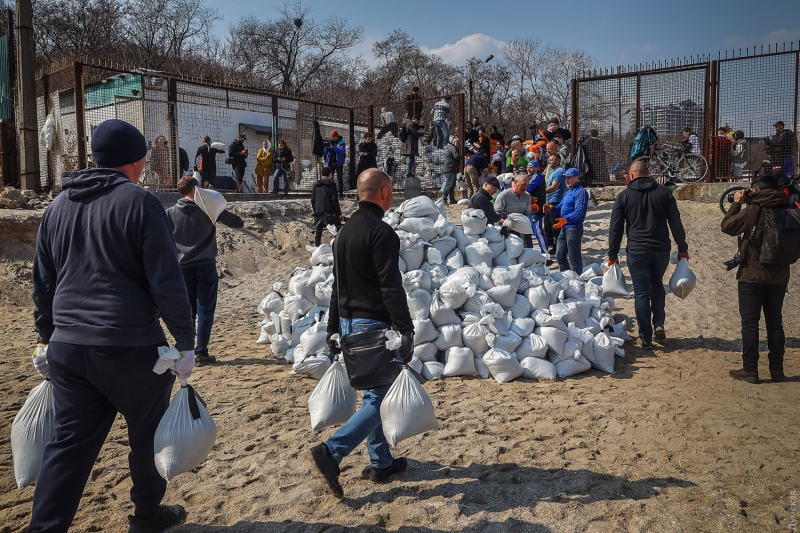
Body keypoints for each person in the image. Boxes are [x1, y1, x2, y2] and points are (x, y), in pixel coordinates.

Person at [29, 119, 195, 533]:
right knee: (146, 435)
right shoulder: (140, 204)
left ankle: (44, 528)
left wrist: (46, 338)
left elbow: (43, 283)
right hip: (130, 347)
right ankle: (146, 517)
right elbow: (166, 282)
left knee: (67, 446)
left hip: (68, 350)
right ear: (135, 161)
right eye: (141, 161)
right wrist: (186, 341)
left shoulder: (56, 209)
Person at [309, 169, 415, 498]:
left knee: (374, 393)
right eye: (392, 190)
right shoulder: (382, 233)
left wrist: (332, 328)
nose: (393, 195)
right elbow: (390, 285)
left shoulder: (343, 234)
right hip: (374, 326)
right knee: (382, 397)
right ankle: (332, 451)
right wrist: (405, 327)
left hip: (350, 325)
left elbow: (336, 287)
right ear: (383, 192)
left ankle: (381, 464)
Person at [608, 160, 689, 351]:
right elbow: (676, 223)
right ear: (648, 173)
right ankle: (659, 323)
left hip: (636, 250)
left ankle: (645, 338)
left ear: (632, 175)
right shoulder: (664, 193)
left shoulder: (624, 196)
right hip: (661, 249)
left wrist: (612, 254)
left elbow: (615, 228)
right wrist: (682, 248)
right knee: (657, 284)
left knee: (642, 293)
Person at [721, 172, 791, 383]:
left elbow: (727, 226)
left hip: (752, 275)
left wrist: (736, 204)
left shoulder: (753, 210)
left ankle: (750, 369)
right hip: (779, 275)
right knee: (775, 323)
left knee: (750, 324)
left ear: (757, 190)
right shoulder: (789, 208)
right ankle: (777, 371)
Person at [167, 176, 244, 366]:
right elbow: (237, 222)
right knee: (205, 310)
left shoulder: (169, 213)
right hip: (206, 265)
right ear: (195, 189)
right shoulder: (208, 208)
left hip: (182, 268)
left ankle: (187, 351)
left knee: (187, 311)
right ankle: (202, 351)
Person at [544, 168, 588, 273]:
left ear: (577, 178)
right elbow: (560, 207)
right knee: (559, 256)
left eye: (570, 178)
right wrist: (551, 208)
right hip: (564, 227)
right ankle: (567, 276)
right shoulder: (569, 192)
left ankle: (577, 279)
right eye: (566, 178)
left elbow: (579, 211)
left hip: (573, 228)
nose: (567, 180)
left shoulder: (580, 192)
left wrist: (566, 219)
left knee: (574, 257)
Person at [311, 167, 342, 246]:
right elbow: (334, 200)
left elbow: (313, 199)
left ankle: (317, 247)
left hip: (318, 212)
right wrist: (339, 213)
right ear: (329, 175)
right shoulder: (331, 185)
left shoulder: (316, 185)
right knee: (338, 226)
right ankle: (339, 245)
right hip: (330, 212)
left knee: (319, 231)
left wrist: (315, 211)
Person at [544, 153, 567, 254]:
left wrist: (541, 191)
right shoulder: (553, 172)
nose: (550, 162)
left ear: (558, 161)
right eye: (549, 160)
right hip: (549, 201)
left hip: (556, 201)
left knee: (556, 226)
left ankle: (560, 248)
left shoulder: (559, 172)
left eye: (552, 160)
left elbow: (554, 187)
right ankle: (554, 245)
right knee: (549, 225)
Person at [526, 161, 548, 253]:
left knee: (538, 231)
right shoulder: (532, 176)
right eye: (527, 167)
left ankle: (545, 253)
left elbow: (528, 189)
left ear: (537, 168)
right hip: (532, 208)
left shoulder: (537, 176)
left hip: (537, 208)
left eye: (531, 167)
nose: (528, 169)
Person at [324, 129, 347, 195]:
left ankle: (341, 194)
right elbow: (325, 153)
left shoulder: (341, 143)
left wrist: (333, 147)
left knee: (340, 178)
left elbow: (342, 151)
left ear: (337, 136)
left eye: (334, 136)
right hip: (331, 163)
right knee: (330, 179)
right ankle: (331, 193)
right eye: (332, 137)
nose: (333, 138)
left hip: (338, 163)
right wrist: (326, 148)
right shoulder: (330, 142)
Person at [441, 136, 460, 204]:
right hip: (450, 169)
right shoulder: (452, 148)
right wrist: (462, 157)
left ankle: (452, 199)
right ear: (453, 142)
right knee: (449, 185)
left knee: (452, 185)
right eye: (456, 142)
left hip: (451, 169)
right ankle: (444, 199)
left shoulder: (449, 147)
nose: (457, 143)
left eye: (458, 142)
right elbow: (456, 156)